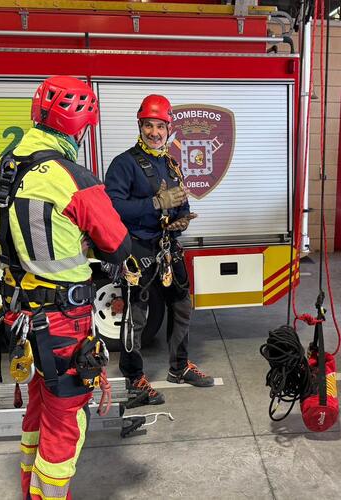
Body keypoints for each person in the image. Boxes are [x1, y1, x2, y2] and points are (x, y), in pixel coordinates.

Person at [0, 75, 131, 499]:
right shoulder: (71, 176)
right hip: (62, 321)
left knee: (38, 404)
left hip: (18, 315)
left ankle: (30, 486)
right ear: (80, 128)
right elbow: (118, 244)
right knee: (67, 418)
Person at [105, 94, 213, 408]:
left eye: (160, 126)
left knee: (182, 307)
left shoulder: (169, 163)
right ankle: (134, 379)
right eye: (149, 125)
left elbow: (181, 203)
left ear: (169, 128)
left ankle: (179, 367)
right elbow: (112, 207)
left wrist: (181, 220)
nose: (155, 132)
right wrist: (154, 203)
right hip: (138, 250)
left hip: (167, 248)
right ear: (140, 126)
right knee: (135, 317)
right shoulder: (125, 164)